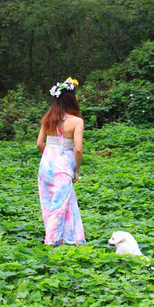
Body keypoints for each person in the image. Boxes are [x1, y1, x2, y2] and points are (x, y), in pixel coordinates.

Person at [36, 77, 86, 246]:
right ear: (71, 99)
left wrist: (51, 154)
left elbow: (39, 143)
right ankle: (51, 242)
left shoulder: (48, 118)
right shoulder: (76, 121)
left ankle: (70, 237)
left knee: (50, 203)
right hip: (63, 167)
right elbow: (78, 149)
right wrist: (76, 170)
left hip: (46, 166)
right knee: (59, 205)